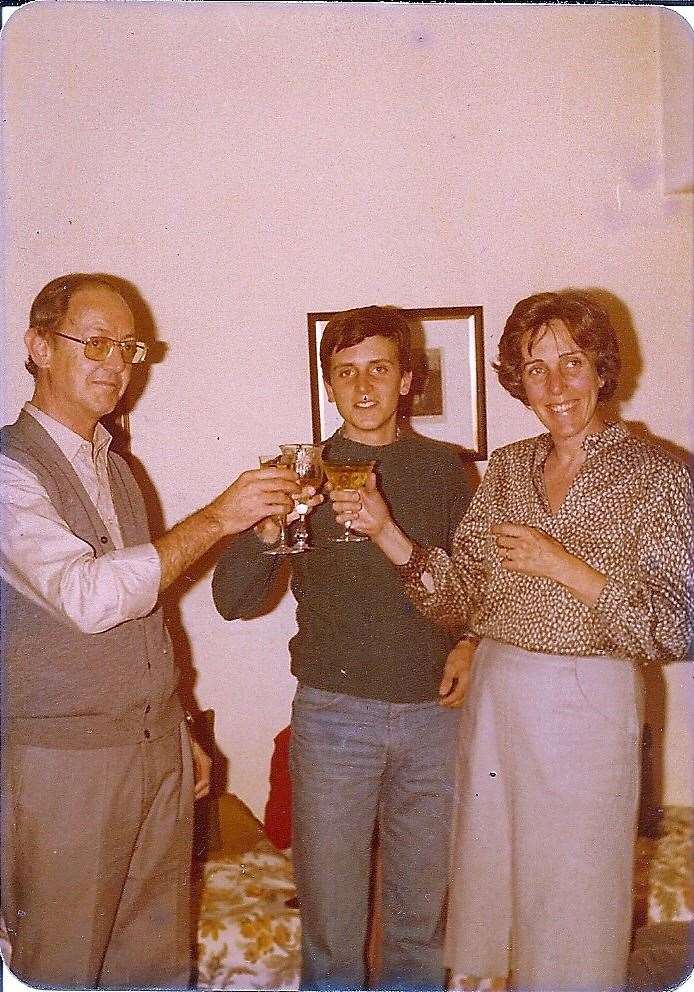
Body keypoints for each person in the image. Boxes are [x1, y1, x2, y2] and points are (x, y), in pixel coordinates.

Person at [334, 291, 694, 992]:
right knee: (499, 900)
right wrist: (385, 532)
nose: (555, 385)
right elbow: (461, 595)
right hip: (499, 697)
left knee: (576, 904)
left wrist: (565, 568)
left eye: (572, 363)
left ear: (600, 370)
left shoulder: (659, 476)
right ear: (517, 381)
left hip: (589, 701)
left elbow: (677, 622)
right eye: (535, 369)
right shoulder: (506, 468)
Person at [0, 272, 299, 989]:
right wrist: (217, 519)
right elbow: (88, 596)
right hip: (65, 764)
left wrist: (182, 722)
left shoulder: (119, 469)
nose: (117, 364)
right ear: (38, 346)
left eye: (129, 348)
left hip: (155, 751)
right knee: (61, 967)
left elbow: (150, 615)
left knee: (154, 966)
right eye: (95, 342)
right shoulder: (10, 469)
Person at [212, 305, 475, 992]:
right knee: (331, 936)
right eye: (346, 372)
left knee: (420, 931)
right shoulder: (297, 471)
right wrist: (269, 529)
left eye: (379, 369)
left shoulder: (445, 470)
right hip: (333, 722)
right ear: (328, 386)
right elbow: (231, 600)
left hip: (433, 723)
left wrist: (473, 642)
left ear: (408, 381)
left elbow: (477, 590)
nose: (363, 388)